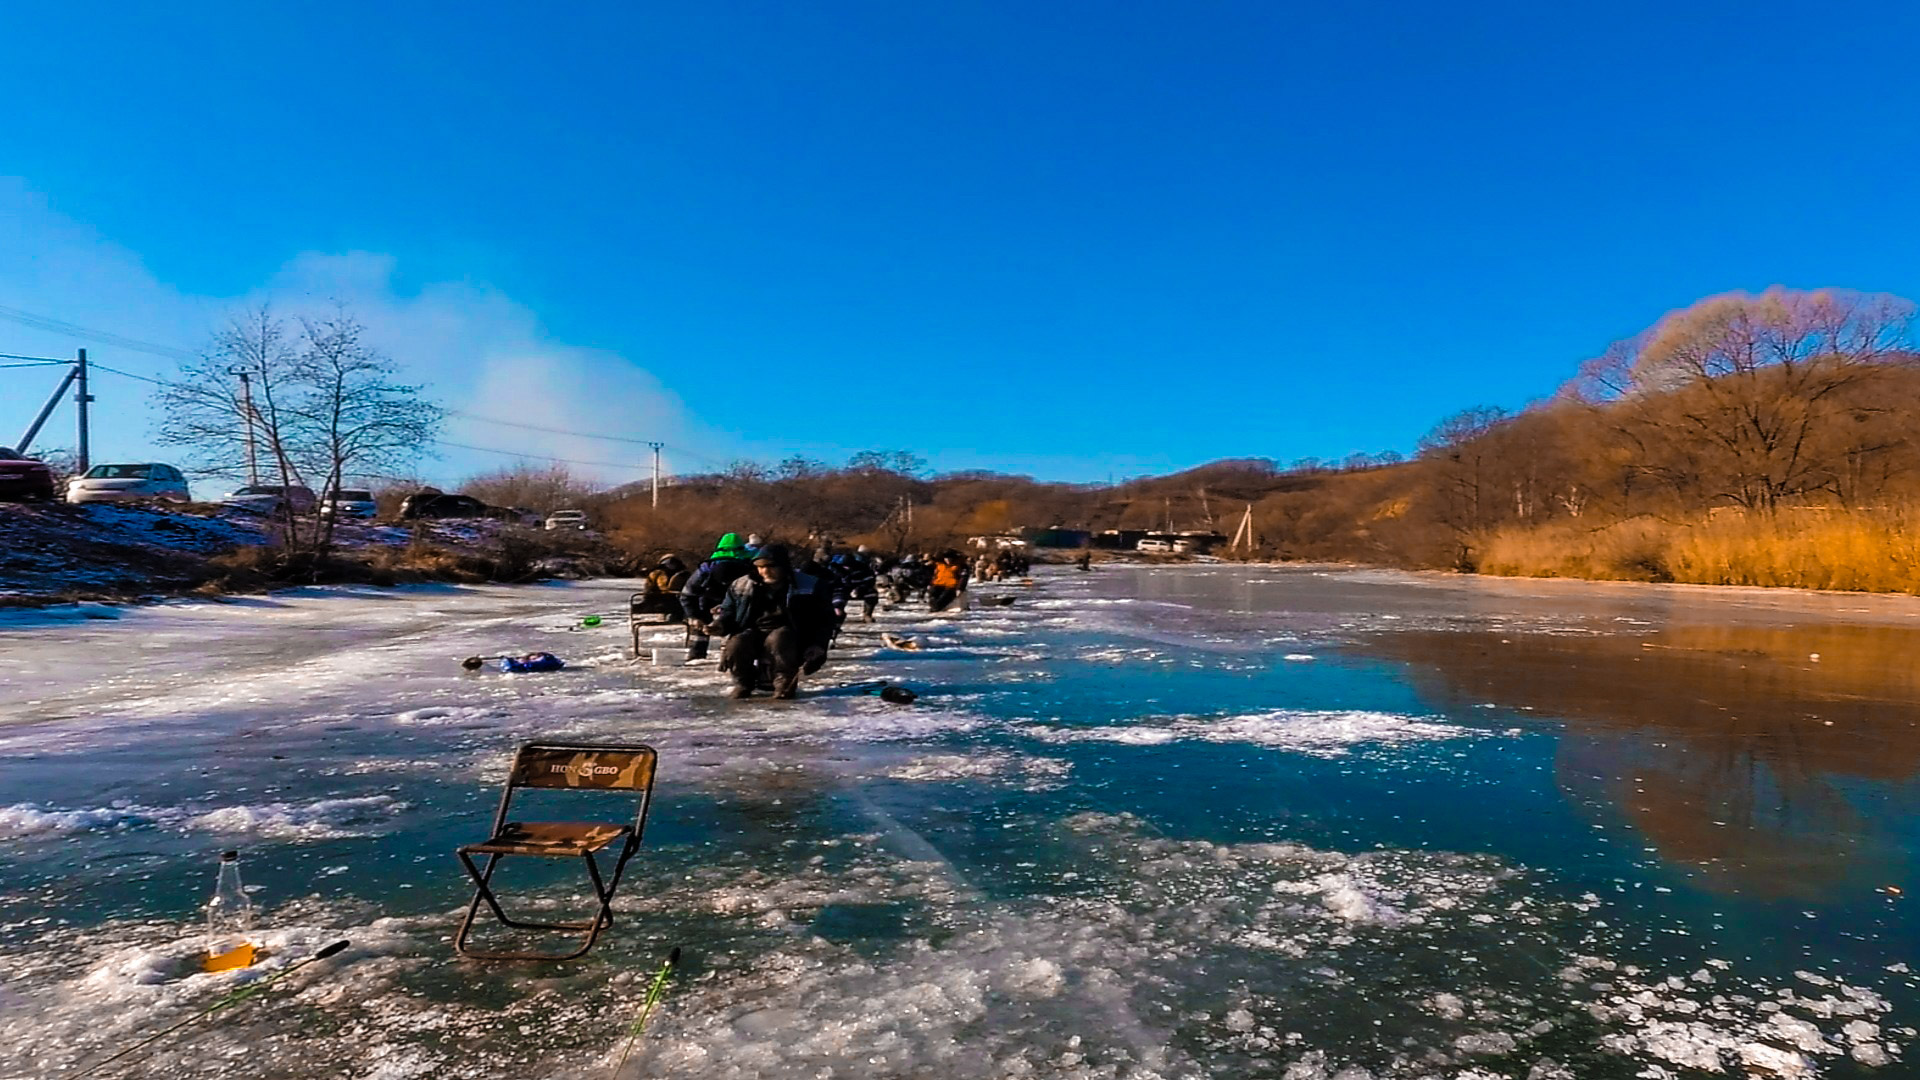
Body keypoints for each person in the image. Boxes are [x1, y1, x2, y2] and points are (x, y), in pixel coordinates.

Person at [710, 544, 835, 698]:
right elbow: (728, 611)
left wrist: (819, 644)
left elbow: (825, 619)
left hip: (793, 636)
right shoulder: (741, 585)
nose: (765, 571)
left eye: (771, 566)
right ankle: (742, 683)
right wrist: (719, 625)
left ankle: (784, 684)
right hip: (752, 631)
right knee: (737, 643)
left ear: (783, 566)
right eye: (760, 567)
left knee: (780, 637)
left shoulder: (810, 585)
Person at [680, 533, 755, 660]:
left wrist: (694, 615)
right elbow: (687, 595)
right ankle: (705, 654)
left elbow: (687, 595)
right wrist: (694, 616)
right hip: (715, 600)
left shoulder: (705, 569)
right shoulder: (750, 566)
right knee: (704, 622)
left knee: (736, 623)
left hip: (732, 601)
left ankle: (725, 653)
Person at [830, 546, 881, 623]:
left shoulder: (863, 568)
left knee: (872, 594)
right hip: (842, 590)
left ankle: (867, 614)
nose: (847, 568)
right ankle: (837, 617)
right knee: (837, 601)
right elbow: (834, 585)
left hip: (860, 588)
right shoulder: (836, 570)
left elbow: (869, 581)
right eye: (845, 566)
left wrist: (859, 589)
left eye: (849, 566)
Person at [634, 554, 690, 621]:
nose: (671, 565)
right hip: (660, 601)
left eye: (673, 562)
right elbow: (649, 590)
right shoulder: (657, 574)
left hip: (677, 602)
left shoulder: (684, 574)